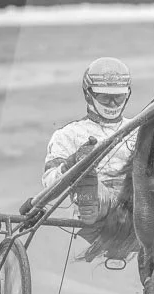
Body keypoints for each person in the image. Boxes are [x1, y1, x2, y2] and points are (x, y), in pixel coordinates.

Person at [25, 56, 136, 224]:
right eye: (105, 97)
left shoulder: (140, 128)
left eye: (118, 97)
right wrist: (71, 163)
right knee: (91, 183)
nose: (112, 104)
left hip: (140, 200)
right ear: (88, 94)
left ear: (127, 94)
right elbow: (49, 182)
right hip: (96, 206)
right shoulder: (68, 134)